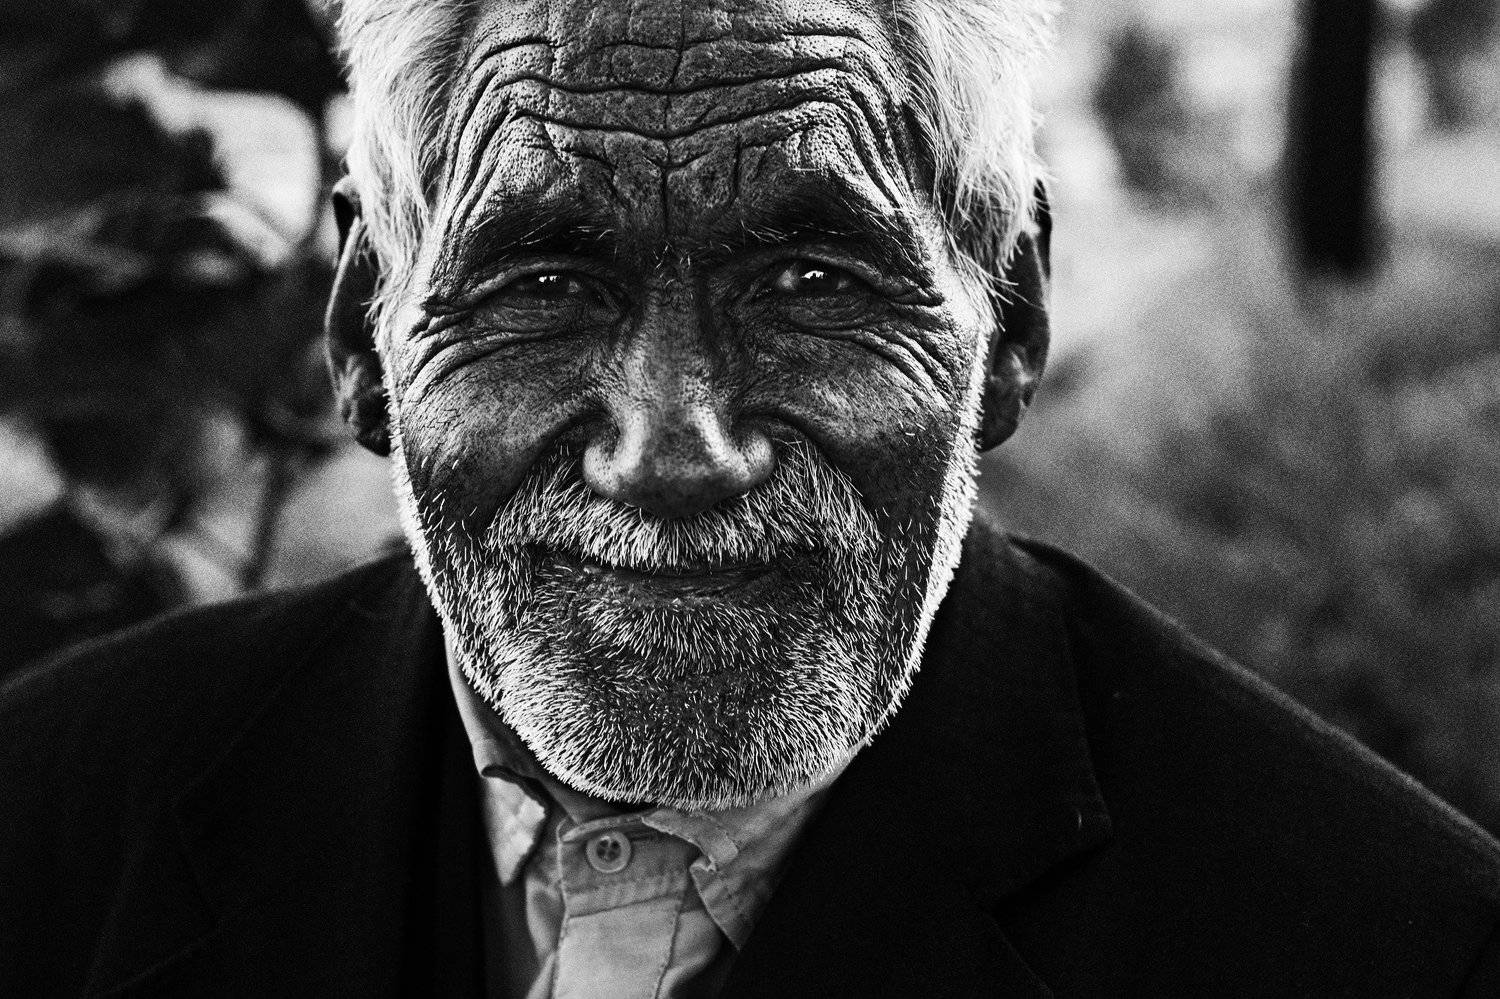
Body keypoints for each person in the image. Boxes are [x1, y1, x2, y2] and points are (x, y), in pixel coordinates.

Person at [3, 1, 1499, 995]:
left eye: (812, 277)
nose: (671, 448)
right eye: (541, 280)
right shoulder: (53, 816)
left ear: (1012, 325)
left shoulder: (1387, 947)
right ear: (360, 335)